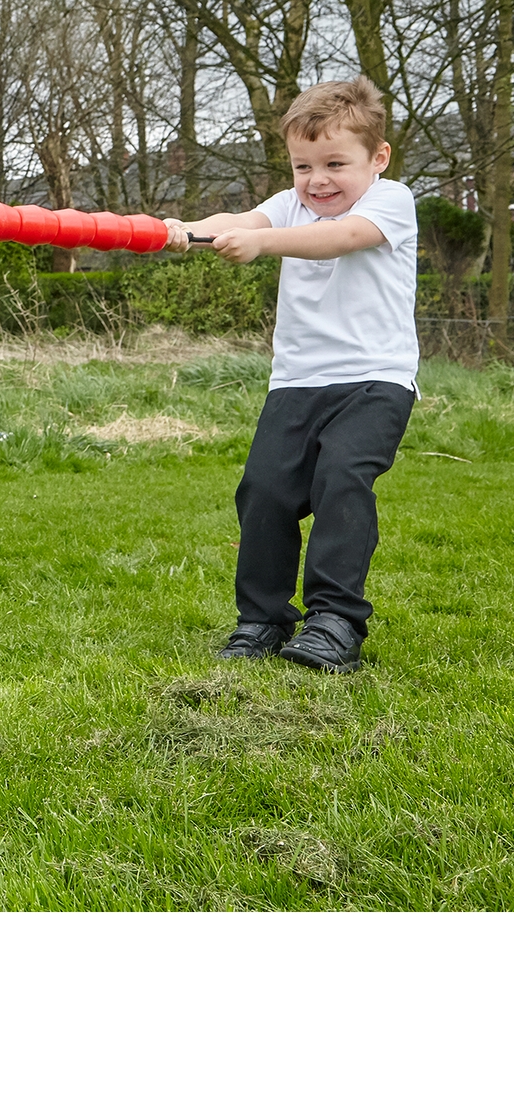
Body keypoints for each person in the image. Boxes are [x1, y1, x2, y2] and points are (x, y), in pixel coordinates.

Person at [164, 76, 418, 673]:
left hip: (375, 380)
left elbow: (339, 239)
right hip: (297, 382)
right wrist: (186, 232)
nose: (318, 180)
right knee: (264, 493)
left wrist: (264, 244)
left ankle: (335, 621)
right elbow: (241, 217)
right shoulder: (288, 206)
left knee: (341, 478)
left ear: (377, 158)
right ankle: (262, 620)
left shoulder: (390, 200)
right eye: (304, 166)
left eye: (335, 163)